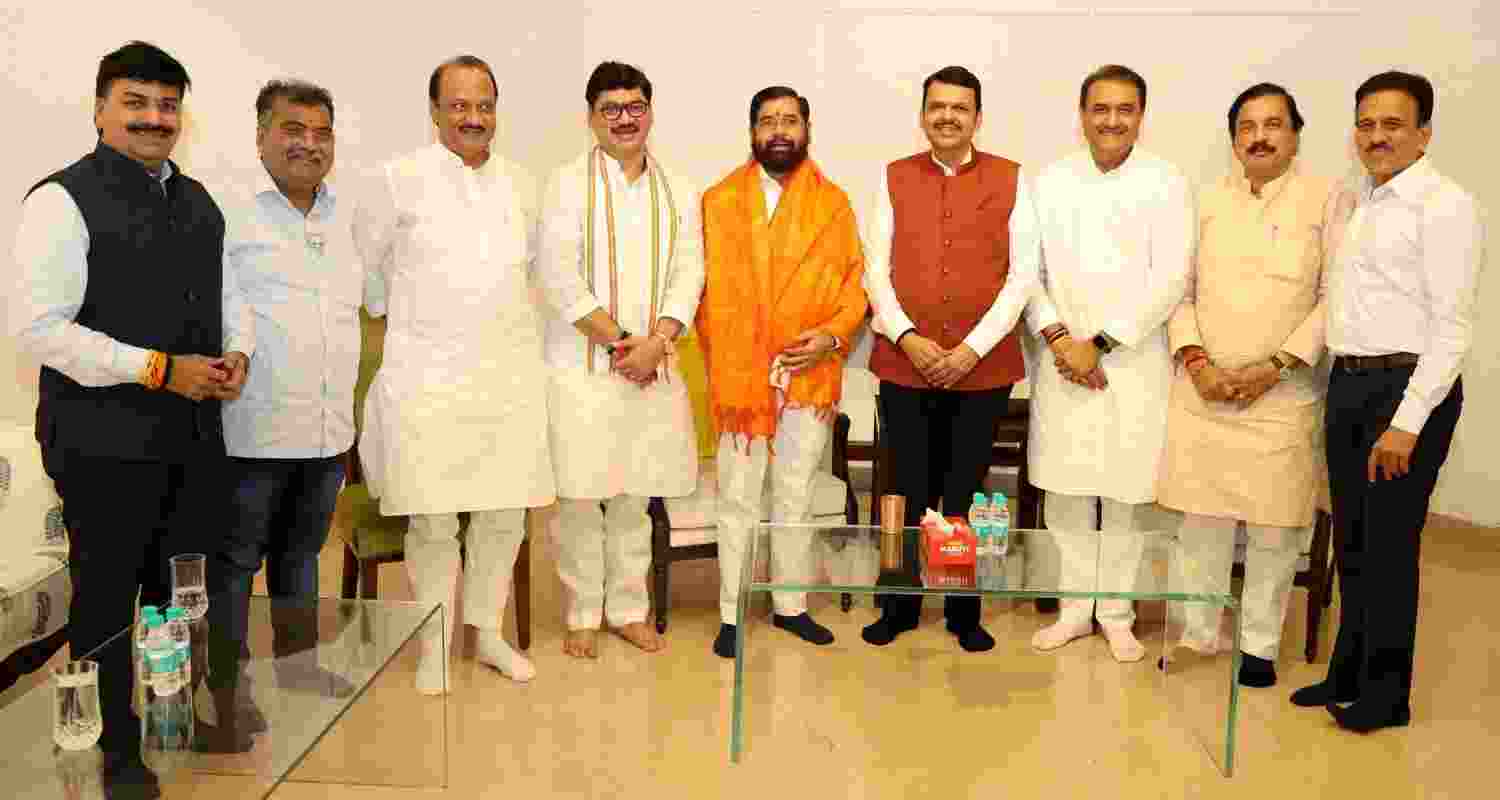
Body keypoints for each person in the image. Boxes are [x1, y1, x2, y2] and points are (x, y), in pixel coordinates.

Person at [9, 41, 250, 796]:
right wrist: (156, 368)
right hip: (101, 442)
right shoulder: (60, 199)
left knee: (181, 591)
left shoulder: (198, 199)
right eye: (136, 103)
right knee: (110, 597)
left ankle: (174, 715)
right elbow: (40, 328)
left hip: (192, 439)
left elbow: (229, 294)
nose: (154, 119)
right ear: (101, 109)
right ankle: (118, 751)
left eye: (168, 105)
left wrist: (237, 350)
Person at [353, 55, 555, 693]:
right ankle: (434, 642)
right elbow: (370, 276)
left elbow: (535, 274)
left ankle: (487, 634)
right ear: (435, 111)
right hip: (427, 378)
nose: (474, 117)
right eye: (460, 105)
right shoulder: (396, 179)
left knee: (502, 516)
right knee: (434, 520)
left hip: (507, 374)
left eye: (485, 105)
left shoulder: (524, 184)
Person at [1291, 71, 1482, 733]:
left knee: (1390, 547)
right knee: (1352, 541)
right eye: (1367, 124)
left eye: (1393, 124)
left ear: (1423, 132)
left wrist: (1406, 423)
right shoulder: (1362, 201)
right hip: (1350, 384)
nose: (1377, 136)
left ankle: (1385, 696)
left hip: (1405, 394)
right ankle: (1346, 671)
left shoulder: (1445, 205)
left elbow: (1453, 327)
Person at [1156, 83, 1341, 687]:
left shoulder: (1328, 200)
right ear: (1233, 138)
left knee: (1273, 529)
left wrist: (1274, 366)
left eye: (1274, 125)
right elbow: (1178, 294)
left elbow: (1333, 300)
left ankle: (1260, 644)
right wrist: (1198, 363)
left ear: (1295, 133)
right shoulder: (1206, 200)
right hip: (1203, 387)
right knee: (1200, 525)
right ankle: (1200, 633)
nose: (1259, 137)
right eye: (1247, 127)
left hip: (1282, 391)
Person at [860, 66, 1039, 652]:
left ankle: (965, 609)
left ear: (977, 118)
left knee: (966, 493)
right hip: (902, 362)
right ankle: (896, 604)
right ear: (922, 115)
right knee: (899, 493)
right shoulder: (891, 178)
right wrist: (907, 336)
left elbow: (1022, 279)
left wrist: (970, 350)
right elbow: (875, 272)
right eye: (937, 106)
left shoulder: (1013, 180)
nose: (947, 116)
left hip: (981, 370)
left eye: (960, 108)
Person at [209, 80, 369, 716]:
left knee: (302, 556)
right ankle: (228, 687)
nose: (309, 143)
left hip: (327, 428)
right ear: (260, 136)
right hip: (255, 424)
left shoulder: (343, 214)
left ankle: (298, 671)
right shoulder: (230, 213)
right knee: (237, 562)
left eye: (321, 131)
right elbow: (224, 307)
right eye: (292, 129)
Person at [536, 61, 702, 658]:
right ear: (591, 119)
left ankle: (628, 608)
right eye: (611, 108)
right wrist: (621, 342)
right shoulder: (563, 184)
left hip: (652, 364)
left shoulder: (678, 188)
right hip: (583, 368)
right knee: (581, 497)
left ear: (650, 112)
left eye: (634, 106)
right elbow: (557, 276)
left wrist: (655, 342)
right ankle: (583, 611)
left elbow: (690, 273)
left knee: (635, 494)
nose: (624, 118)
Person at [1026, 65, 1192, 663]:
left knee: (1124, 495)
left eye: (1125, 109)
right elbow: (1028, 273)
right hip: (1061, 358)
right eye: (1101, 108)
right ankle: (1074, 610)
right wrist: (1063, 340)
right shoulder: (1050, 181)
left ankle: (1116, 614)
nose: (1112, 120)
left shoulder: (1167, 181)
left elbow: (1171, 277)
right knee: (1067, 494)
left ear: (1141, 116)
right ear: (1082, 113)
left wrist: (1101, 343)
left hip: (1133, 362)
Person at [699, 86, 868, 658]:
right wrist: (737, 357)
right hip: (741, 380)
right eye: (768, 121)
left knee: (794, 496)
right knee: (739, 500)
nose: (779, 130)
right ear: (751, 132)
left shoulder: (834, 205)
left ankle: (791, 605)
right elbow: (701, 296)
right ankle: (731, 613)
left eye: (789, 121)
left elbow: (855, 288)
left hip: (808, 376)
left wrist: (828, 339)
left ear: (806, 130)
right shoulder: (717, 202)